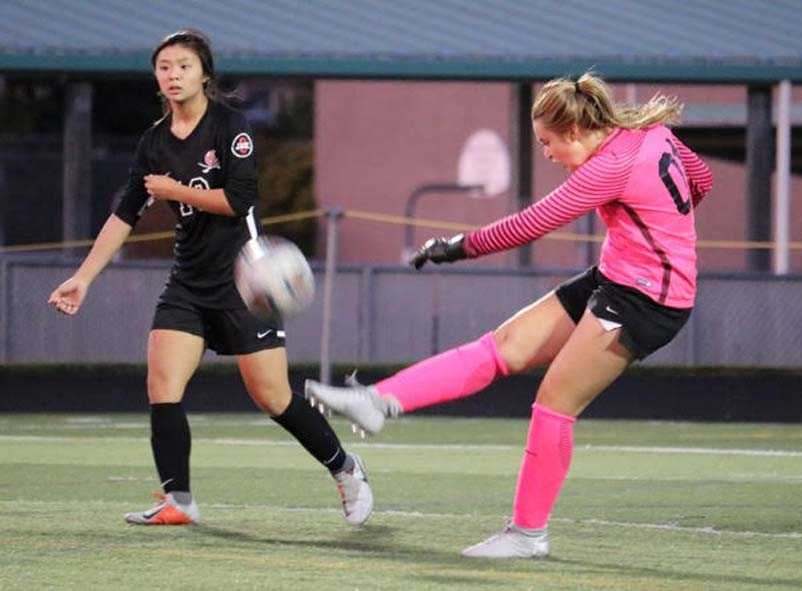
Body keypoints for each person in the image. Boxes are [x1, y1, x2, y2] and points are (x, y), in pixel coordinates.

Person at [305, 72, 713, 558]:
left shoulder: (607, 168)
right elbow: (701, 180)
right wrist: (666, 227)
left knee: (554, 403)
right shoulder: (651, 133)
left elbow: (531, 223)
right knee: (502, 348)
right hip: (618, 274)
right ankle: (378, 401)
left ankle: (528, 535)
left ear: (577, 131)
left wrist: (455, 247)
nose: (547, 154)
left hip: (649, 300)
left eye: (548, 143)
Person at [48, 29, 372, 527]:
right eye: (164, 67)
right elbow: (124, 215)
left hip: (245, 283)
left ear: (203, 74)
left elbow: (237, 201)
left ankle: (346, 469)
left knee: (273, 398)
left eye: (183, 66)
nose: (173, 75)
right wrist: (83, 277)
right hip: (189, 282)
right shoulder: (153, 142)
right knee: (162, 384)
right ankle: (179, 499)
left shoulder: (230, 127)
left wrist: (176, 188)